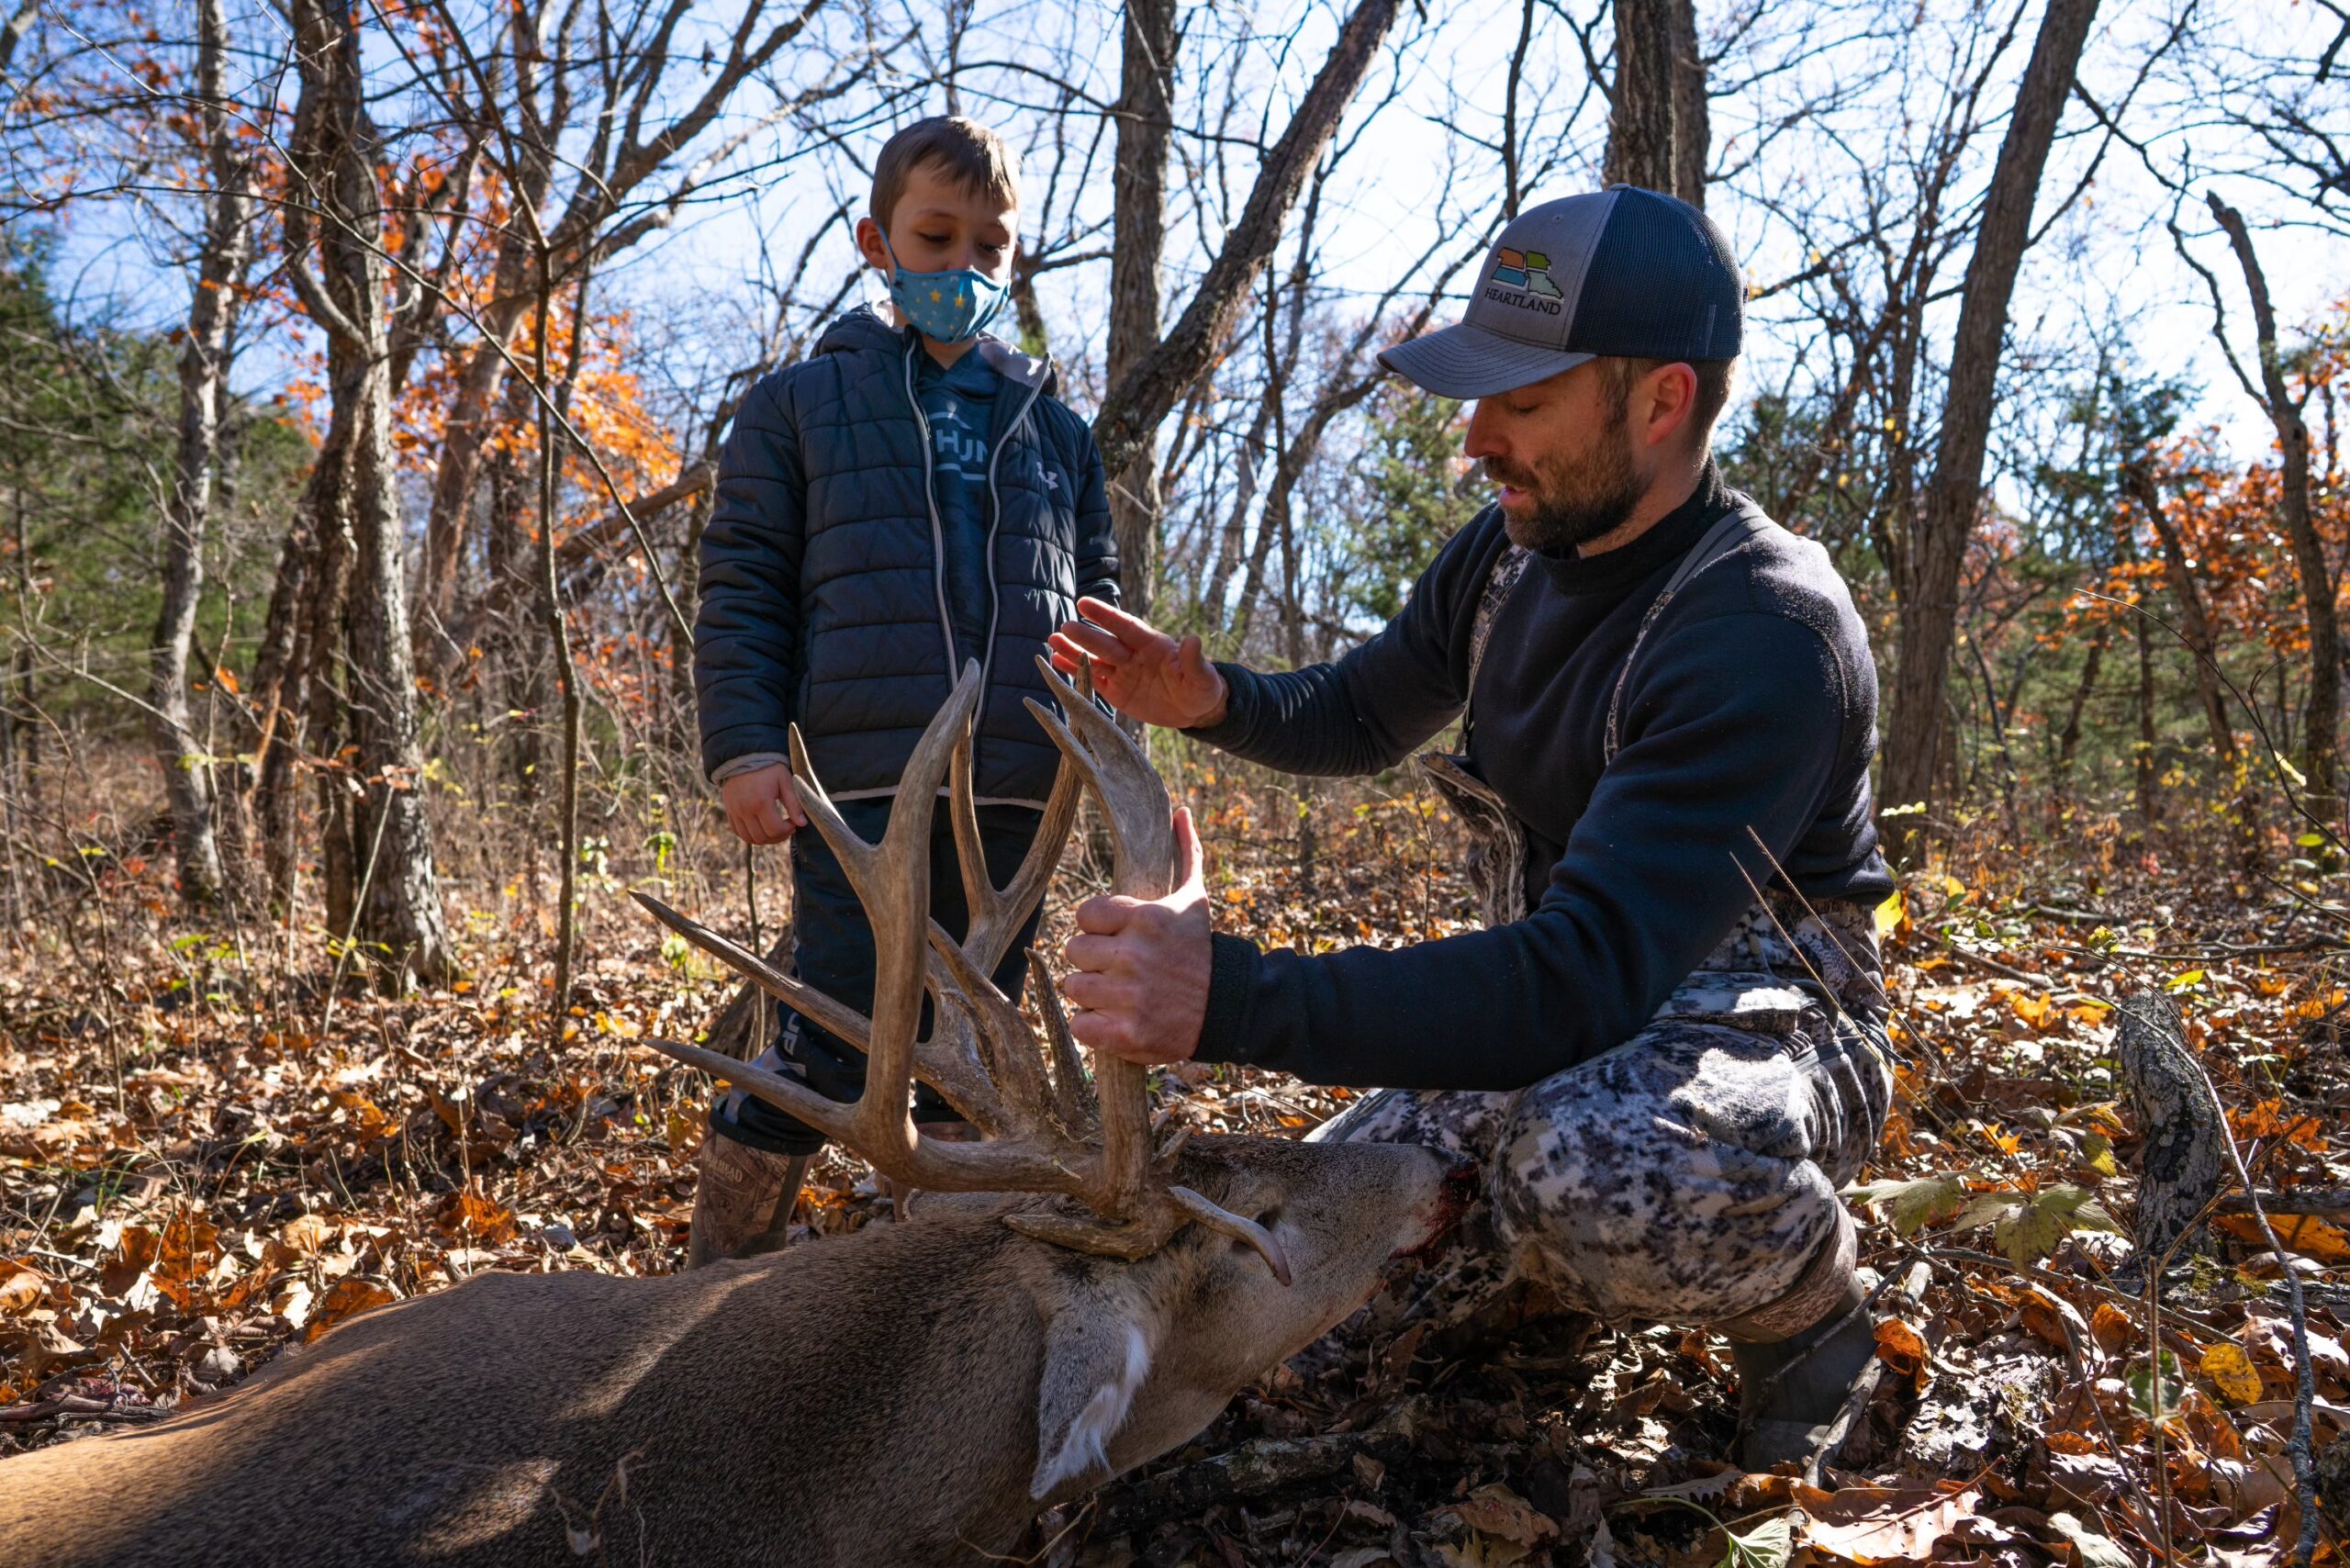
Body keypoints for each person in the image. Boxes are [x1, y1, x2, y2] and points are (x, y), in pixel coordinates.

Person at [1048, 187, 1896, 1470]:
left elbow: (1581, 980)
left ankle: (1811, 1311)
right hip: (1557, 1012)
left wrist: (1223, 999)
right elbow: (1358, 713)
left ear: (1662, 401)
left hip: (1752, 1025)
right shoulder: (1507, 557)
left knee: (1586, 1173)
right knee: (1282, 1243)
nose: (1477, 437)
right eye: (1479, 393)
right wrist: (1210, 698)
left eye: (1525, 400)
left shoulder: (1764, 631)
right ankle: (1530, 1278)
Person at [690, 116, 1117, 1266]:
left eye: (991, 248)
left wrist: (1106, 743)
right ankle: (709, 1283)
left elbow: (1099, 600)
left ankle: (937, 1295)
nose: (963, 269)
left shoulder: (1057, 431)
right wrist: (742, 747)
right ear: (881, 242)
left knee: (979, 1039)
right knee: (838, 1026)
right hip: (863, 775)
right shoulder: (799, 407)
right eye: (936, 238)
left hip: (1021, 786)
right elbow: (743, 587)